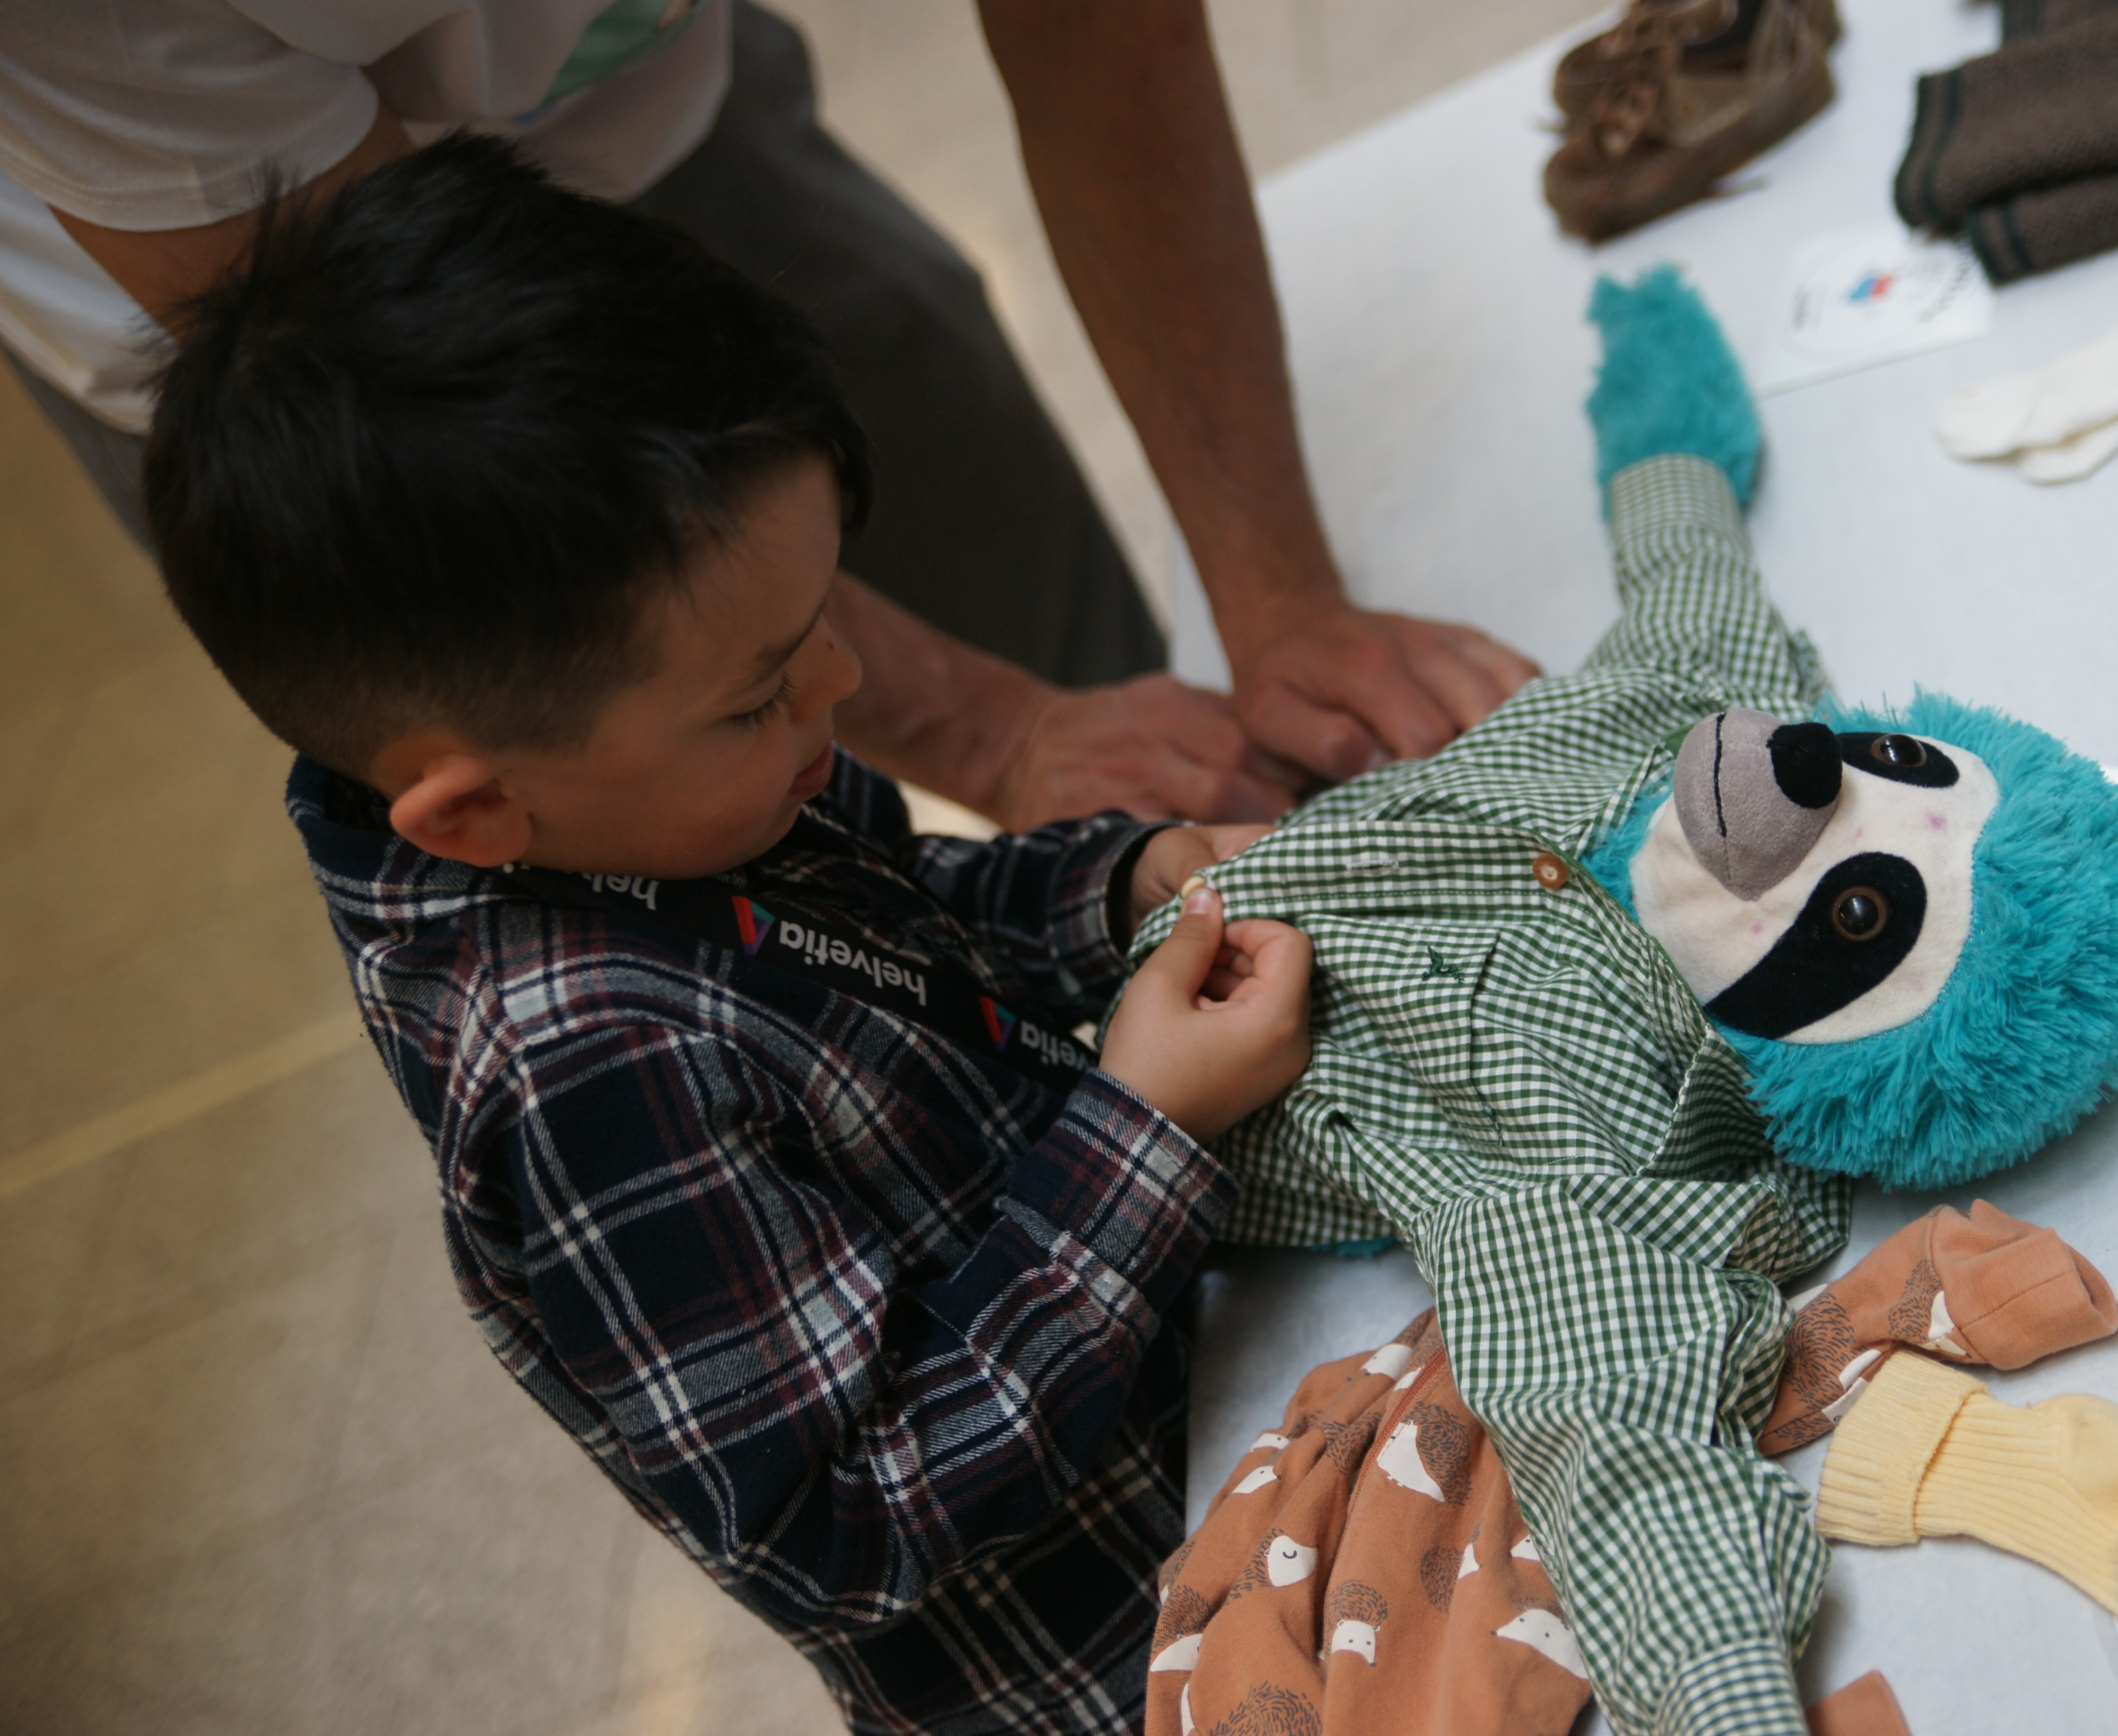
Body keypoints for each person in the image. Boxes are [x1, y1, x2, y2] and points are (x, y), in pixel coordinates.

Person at [146, 134, 1315, 1735]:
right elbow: (847, 1524)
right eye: (762, 689)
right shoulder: (585, 1071)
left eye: (823, 615)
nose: (841, 687)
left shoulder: (665, 803)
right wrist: (1145, 1133)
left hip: (1234, 1400)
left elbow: (901, 925)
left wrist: (1118, 885)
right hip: (1157, 1643)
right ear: (474, 814)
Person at [0, 0, 1539, 828]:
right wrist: (991, 734)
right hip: (259, 298)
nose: (832, 674)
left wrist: (1277, 596)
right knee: (673, 790)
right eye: (764, 687)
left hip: (638, 91)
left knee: (959, 507)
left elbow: (1101, 30)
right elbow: (372, 378)